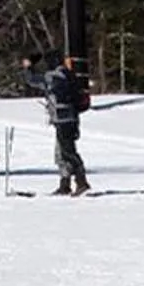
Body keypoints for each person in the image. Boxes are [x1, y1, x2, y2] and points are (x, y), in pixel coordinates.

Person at [42, 53, 90, 197]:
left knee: (67, 152)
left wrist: (28, 68)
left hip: (63, 119)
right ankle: (65, 183)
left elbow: (33, 80)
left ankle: (81, 181)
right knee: (61, 152)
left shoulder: (55, 76)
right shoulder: (69, 75)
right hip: (70, 118)